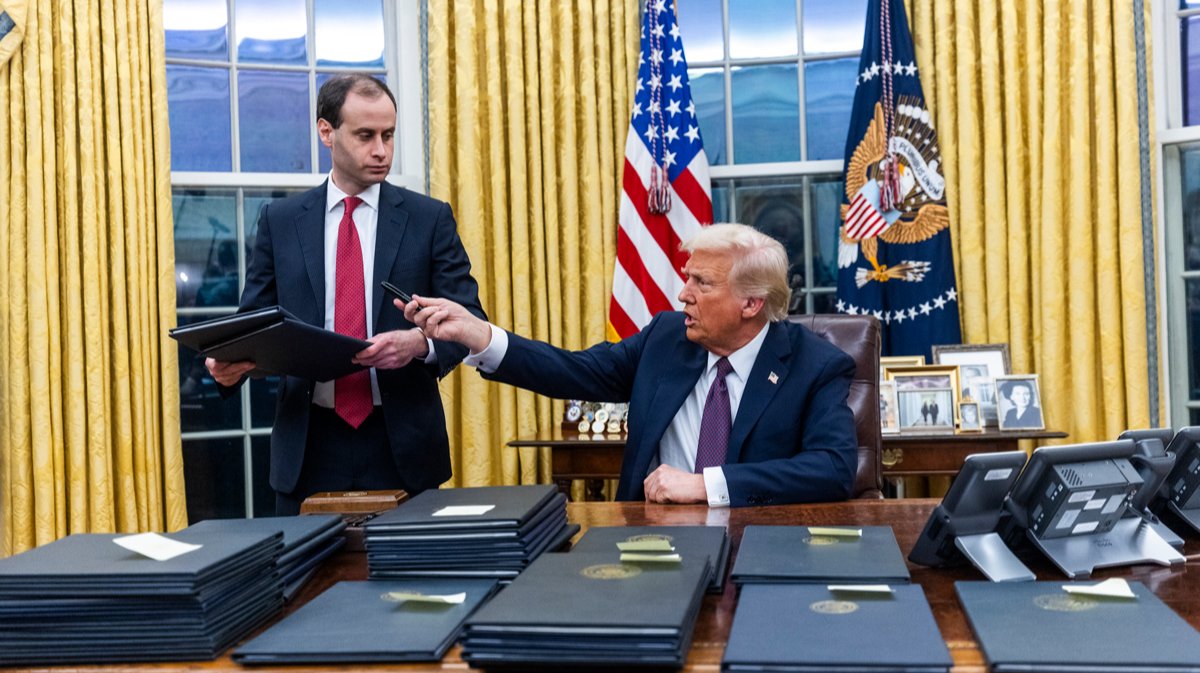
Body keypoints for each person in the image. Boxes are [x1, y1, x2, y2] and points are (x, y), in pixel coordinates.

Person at [403, 223, 858, 507]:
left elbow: (833, 468)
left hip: (757, 544)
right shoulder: (666, 339)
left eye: (702, 283)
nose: (683, 294)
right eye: (687, 278)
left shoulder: (815, 365)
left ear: (752, 303)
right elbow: (573, 370)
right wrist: (480, 336)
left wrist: (707, 485)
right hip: (650, 540)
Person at [205, 73, 485, 515]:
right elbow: (252, 324)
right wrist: (229, 368)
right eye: (365, 135)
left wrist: (419, 344)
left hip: (403, 446)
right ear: (326, 132)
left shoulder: (429, 219)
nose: (381, 150)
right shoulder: (281, 220)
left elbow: (470, 320)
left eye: (388, 136)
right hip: (307, 445)